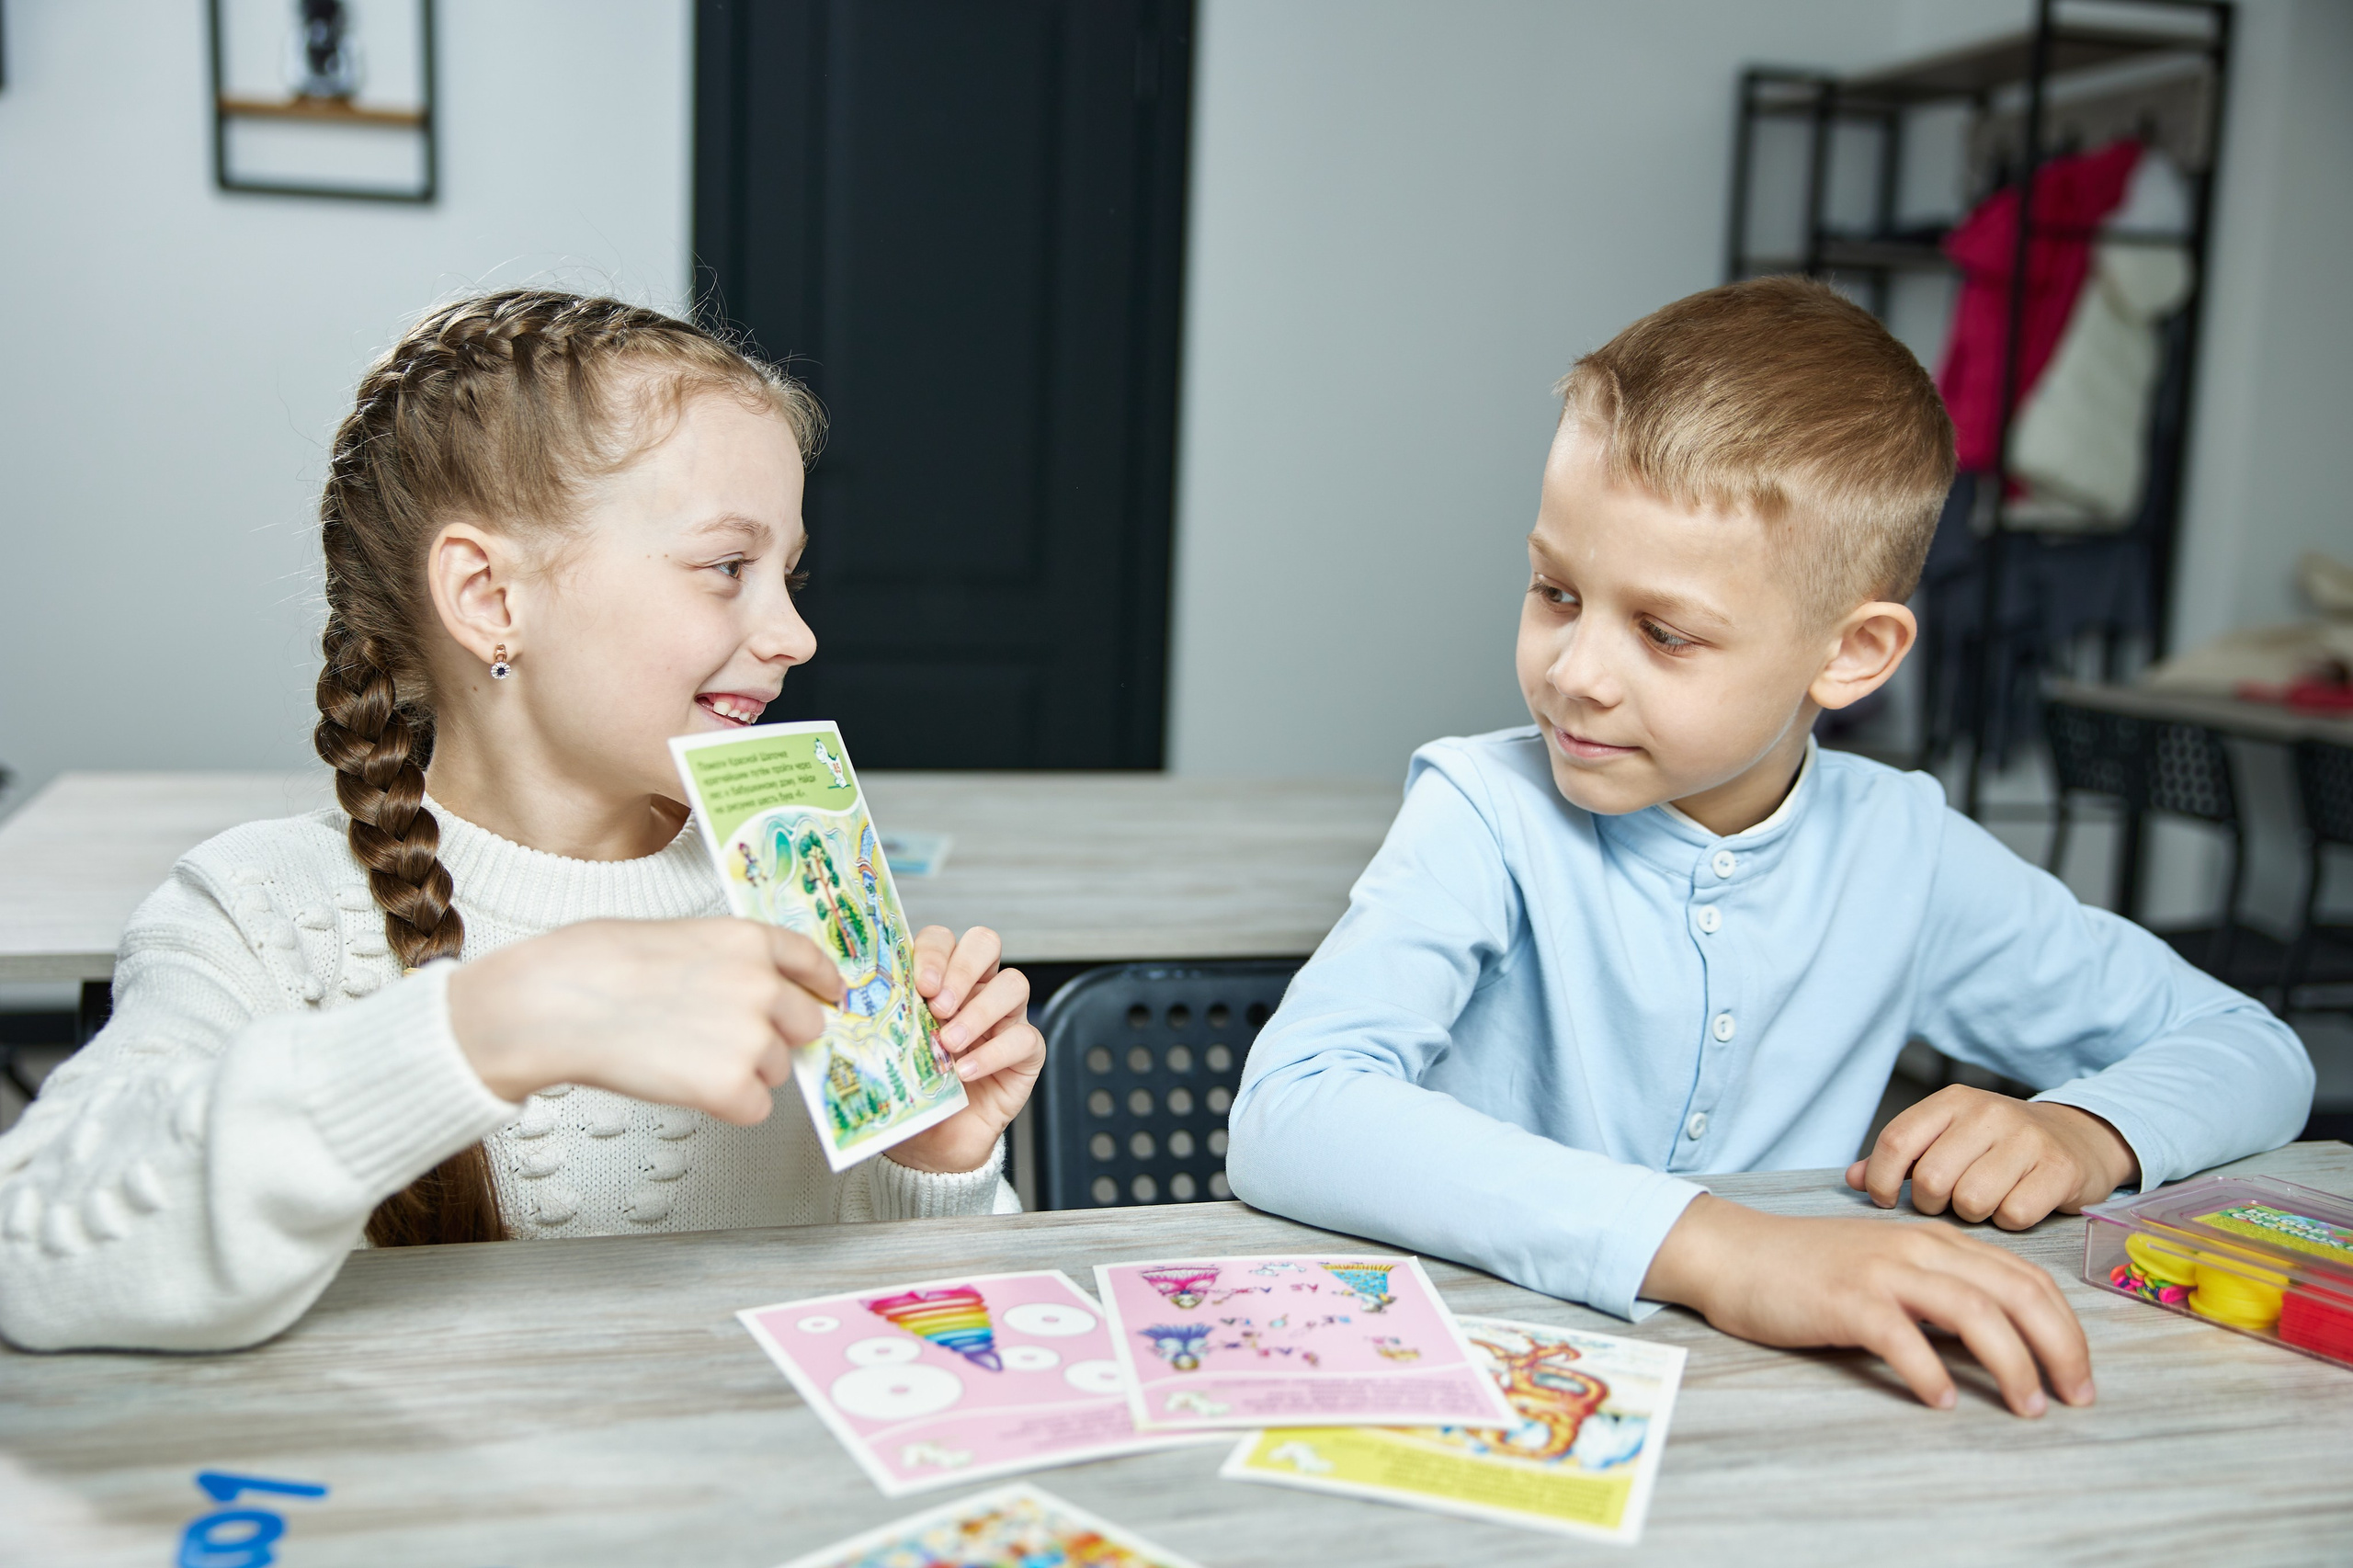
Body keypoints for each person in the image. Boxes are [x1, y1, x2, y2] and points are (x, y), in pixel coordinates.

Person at [1225, 277, 2313, 1418]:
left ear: (1850, 655)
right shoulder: (1484, 810)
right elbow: (1294, 1111)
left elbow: (2252, 1048)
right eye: (1555, 590)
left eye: (1662, 631)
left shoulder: (1904, 851)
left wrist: (2079, 1130)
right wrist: (1724, 1251)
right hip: (1471, 1383)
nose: (1575, 671)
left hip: (1771, 1413)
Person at [0, 290, 1043, 1352]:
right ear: (490, 597)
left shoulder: (789, 880)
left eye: (789, 573)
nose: (794, 633)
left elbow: (933, 1359)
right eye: (728, 567)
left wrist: (931, 1173)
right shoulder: (255, 913)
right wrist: (493, 1021)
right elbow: (34, 1255)